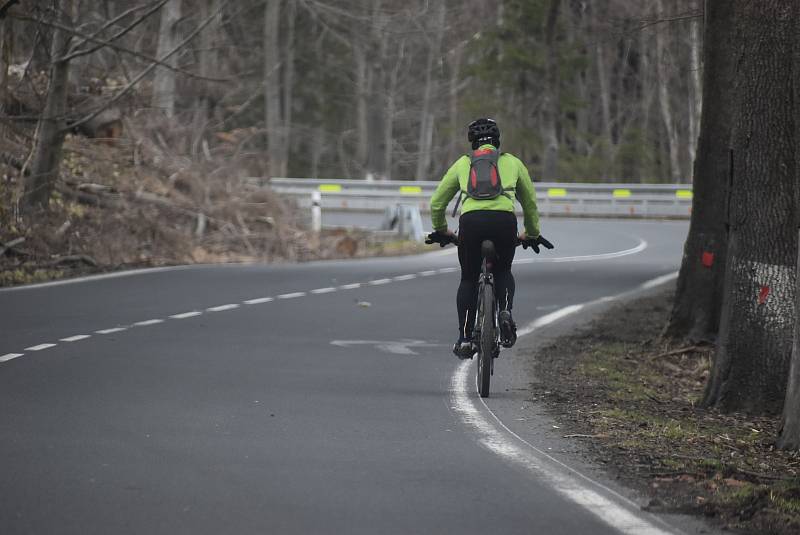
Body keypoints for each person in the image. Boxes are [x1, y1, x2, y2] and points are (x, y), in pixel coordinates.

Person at [427, 118, 553, 358]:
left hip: (471, 224)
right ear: (497, 141)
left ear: (472, 142)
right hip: (504, 223)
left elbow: (436, 203)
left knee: (468, 279)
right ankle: (505, 312)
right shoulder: (513, 162)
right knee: (503, 270)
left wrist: (442, 229)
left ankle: (465, 338)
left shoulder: (463, 164)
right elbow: (530, 204)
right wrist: (532, 233)